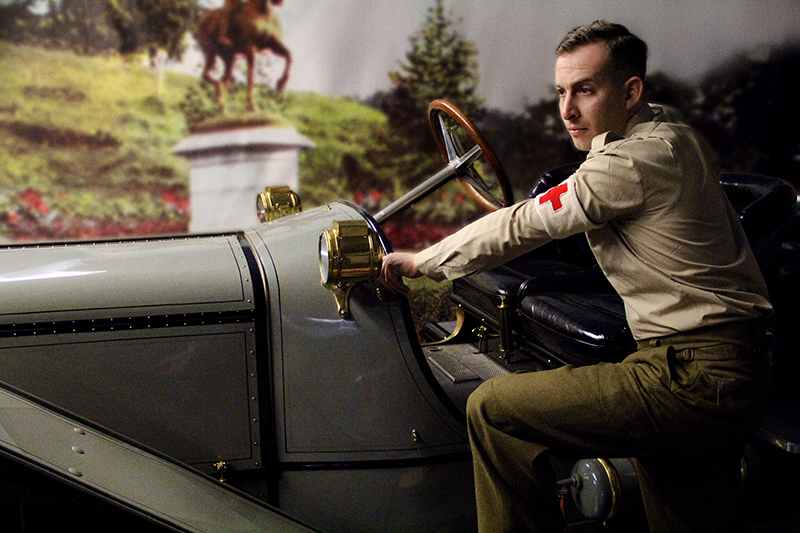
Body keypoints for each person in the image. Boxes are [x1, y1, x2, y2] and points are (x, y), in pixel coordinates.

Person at [380, 21, 772, 533]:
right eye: (561, 92)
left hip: (690, 377)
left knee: (494, 410)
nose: (566, 110)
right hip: (727, 369)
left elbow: (526, 222)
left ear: (630, 92)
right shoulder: (664, 130)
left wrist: (423, 261)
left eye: (585, 90)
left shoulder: (633, 161)